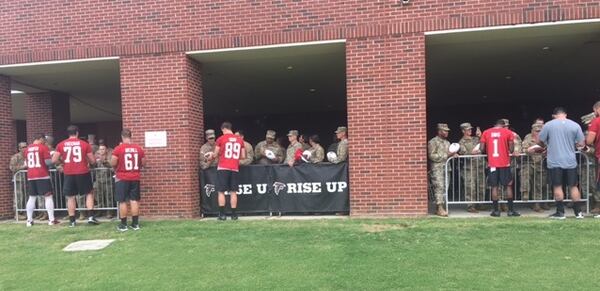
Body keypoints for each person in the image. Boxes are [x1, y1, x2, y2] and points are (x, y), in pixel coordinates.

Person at [538, 107, 585, 219]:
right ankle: (578, 212)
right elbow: (581, 143)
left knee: (557, 186)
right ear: (565, 114)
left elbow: (540, 141)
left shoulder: (548, 125)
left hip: (555, 161)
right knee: (573, 186)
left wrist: (546, 145)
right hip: (570, 161)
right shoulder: (575, 125)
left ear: (554, 115)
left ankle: (560, 212)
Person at [52, 125, 98, 227]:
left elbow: (54, 160)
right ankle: (90, 217)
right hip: (83, 172)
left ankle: (72, 221)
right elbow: (93, 160)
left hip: (68, 173)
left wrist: (63, 161)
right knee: (89, 193)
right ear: (77, 133)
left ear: (68, 133)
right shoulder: (84, 144)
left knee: (71, 197)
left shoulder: (61, 144)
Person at [480, 119, 520, 217]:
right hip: (504, 163)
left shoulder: (486, 132)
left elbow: (481, 149)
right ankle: (510, 211)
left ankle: (496, 211)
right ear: (503, 125)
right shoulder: (508, 132)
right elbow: (511, 149)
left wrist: (488, 153)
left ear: (494, 125)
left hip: (492, 164)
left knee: (494, 187)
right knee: (508, 186)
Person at [209, 122, 246, 220]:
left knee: (221, 191)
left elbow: (215, 154)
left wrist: (210, 156)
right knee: (233, 192)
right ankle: (234, 215)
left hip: (223, 167)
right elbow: (242, 156)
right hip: (234, 168)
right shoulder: (239, 140)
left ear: (223, 129)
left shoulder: (221, 139)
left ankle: (222, 214)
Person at [111, 129, 145, 231]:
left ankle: (123, 225)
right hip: (135, 176)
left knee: (122, 201)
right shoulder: (139, 148)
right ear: (131, 136)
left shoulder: (118, 148)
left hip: (122, 177)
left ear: (122, 136)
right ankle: (135, 224)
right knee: (134, 200)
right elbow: (143, 163)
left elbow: (113, 163)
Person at [24, 134, 59, 226]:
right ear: (40, 139)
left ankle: (29, 220)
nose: (45, 142)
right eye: (44, 140)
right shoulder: (43, 148)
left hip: (31, 175)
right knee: (48, 197)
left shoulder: (27, 149)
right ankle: (51, 220)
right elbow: (48, 163)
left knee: (32, 197)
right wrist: (54, 157)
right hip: (42, 175)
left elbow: (26, 163)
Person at [458, 122, 485, 213]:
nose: (470, 130)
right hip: (469, 168)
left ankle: (480, 204)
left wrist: (480, 136)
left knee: (481, 185)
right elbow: (463, 152)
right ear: (463, 131)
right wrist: (471, 153)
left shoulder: (475, 139)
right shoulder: (461, 142)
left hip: (479, 166)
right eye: (468, 129)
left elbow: (483, 145)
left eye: (470, 129)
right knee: (470, 187)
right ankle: (470, 206)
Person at [428, 123, 454, 217]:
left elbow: (450, 153)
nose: (447, 132)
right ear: (439, 131)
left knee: (445, 188)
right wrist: (447, 155)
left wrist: (453, 155)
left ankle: (438, 208)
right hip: (437, 169)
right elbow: (431, 155)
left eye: (447, 131)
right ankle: (439, 208)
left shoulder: (447, 143)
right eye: (445, 131)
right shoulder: (433, 142)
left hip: (447, 168)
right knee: (439, 187)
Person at [521, 123, 549, 212]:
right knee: (525, 175)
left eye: (540, 131)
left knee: (540, 185)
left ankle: (537, 204)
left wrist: (546, 152)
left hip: (541, 164)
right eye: (537, 131)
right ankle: (525, 193)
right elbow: (523, 149)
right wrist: (529, 151)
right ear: (532, 131)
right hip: (529, 163)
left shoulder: (545, 138)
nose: (539, 133)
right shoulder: (528, 138)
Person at [581, 112, 600, 214]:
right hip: (585, 163)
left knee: (595, 184)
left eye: (589, 123)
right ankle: (587, 203)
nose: (588, 125)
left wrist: (588, 150)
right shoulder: (585, 132)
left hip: (594, 162)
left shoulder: (595, 131)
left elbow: (595, 148)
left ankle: (598, 204)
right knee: (585, 184)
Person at [94, 144, 114, 219]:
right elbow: (93, 165)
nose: (101, 150)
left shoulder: (110, 157)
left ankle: (109, 212)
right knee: (99, 197)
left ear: (106, 150)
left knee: (109, 196)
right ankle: (100, 211)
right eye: (100, 149)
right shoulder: (96, 158)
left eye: (103, 149)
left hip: (108, 179)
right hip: (99, 180)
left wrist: (104, 161)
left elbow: (112, 166)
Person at [10, 142, 28, 220]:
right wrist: (23, 167)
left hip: (27, 180)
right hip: (18, 180)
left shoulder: (28, 156)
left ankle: (25, 212)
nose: (25, 148)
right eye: (23, 147)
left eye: (26, 147)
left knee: (26, 197)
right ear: (19, 148)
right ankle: (17, 214)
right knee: (18, 197)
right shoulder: (15, 157)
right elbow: (12, 168)